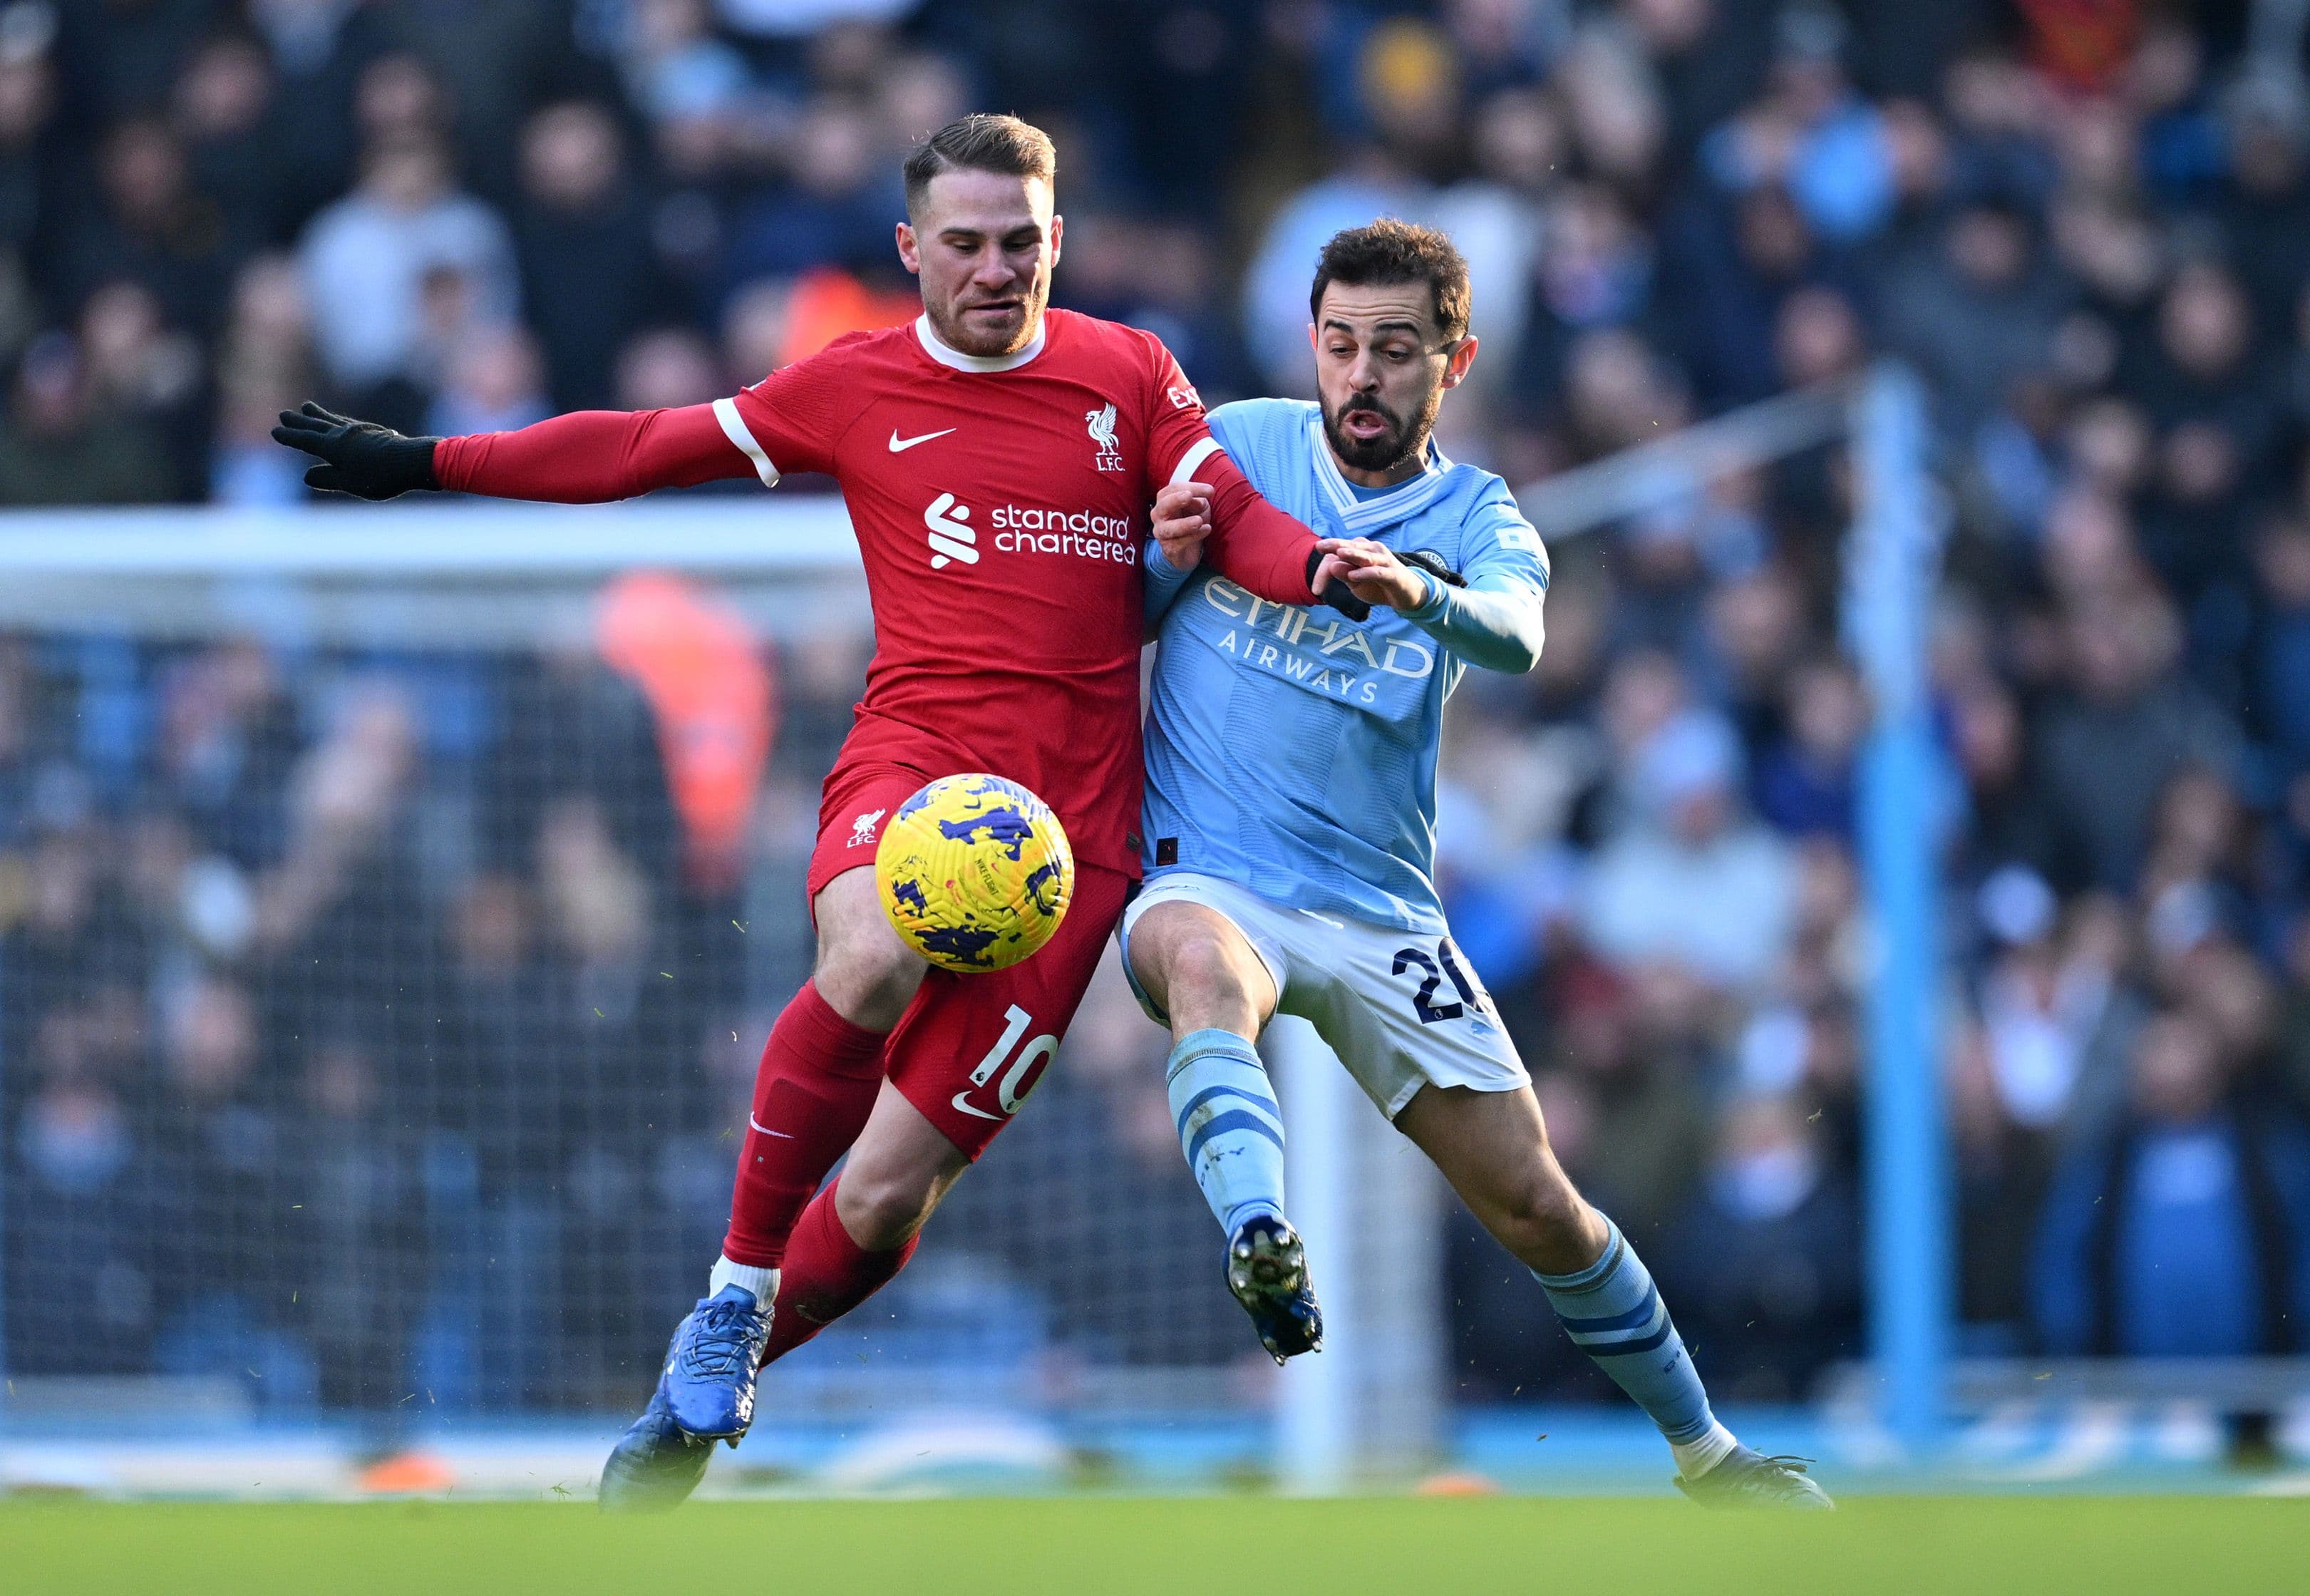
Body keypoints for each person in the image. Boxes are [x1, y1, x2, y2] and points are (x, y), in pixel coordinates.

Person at [274, 114, 1393, 1511]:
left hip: (1071, 839)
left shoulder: (1128, 372)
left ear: (1059, 238)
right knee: (866, 957)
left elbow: (1237, 518)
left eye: (1023, 241)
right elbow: (639, 447)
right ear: (911, 251)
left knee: (879, 1202)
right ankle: (733, 1296)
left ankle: (692, 1404)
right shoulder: (854, 384)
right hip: (914, 764)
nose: (998, 269)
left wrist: (1332, 572)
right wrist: (430, 463)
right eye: (968, 245)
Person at [1125, 219, 1832, 1508]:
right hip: (1211, 869)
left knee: (1539, 1209)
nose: (1361, 376)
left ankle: (1707, 1454)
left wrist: (1421, 594)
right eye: (1340, 346)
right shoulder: (1237, 445)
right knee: (1195, 968)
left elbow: (1515, 634)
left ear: (1453, 361)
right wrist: (1157, 561)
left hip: (1379, 909)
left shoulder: (1478, 515)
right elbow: (1107, 621)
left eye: (1395, 351)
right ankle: (1261, 1240)